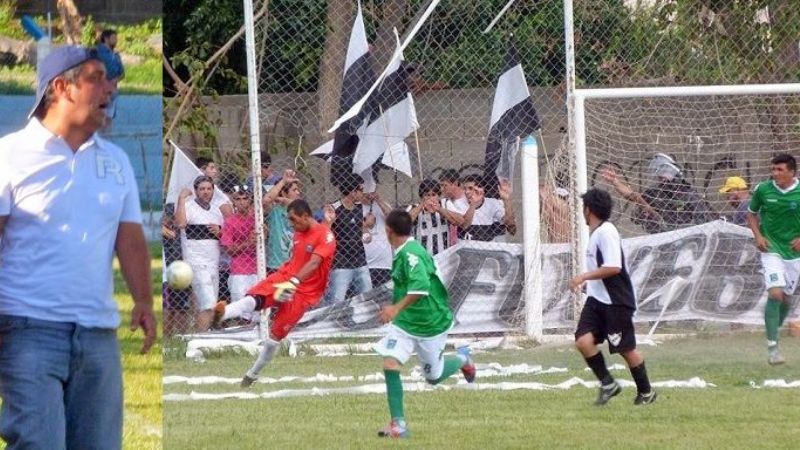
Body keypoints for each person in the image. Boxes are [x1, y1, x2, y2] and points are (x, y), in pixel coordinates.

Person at [0, 45, 156, 450]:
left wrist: (143, 299)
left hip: (98, 335)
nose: (111, 87)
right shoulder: (9, 157)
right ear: (61, 87)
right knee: (39, 443)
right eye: (98, 78)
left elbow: (130, 237)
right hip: (26, 329)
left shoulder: (116, 160)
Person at [374, 209, 477, 439]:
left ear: (388, 231)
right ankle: (398, 424)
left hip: (430, 323)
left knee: (434, 377)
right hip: (405, 323)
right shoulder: (404, 251)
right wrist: (397, 310)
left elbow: (420, 289)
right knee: (390, 363)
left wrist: (394, 308)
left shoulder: (412, 254)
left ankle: (462, 359)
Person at [211, 199, 336, 386]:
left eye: (294, 220)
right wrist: (290, 280)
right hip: (285, 276)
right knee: (256, 297)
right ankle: (223, 314)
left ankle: (252, 374)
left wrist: (294, 282)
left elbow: (314, 263)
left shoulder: (326, 236)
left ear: (305, 216)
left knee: (275, 335)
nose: (291, 225)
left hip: (304, 292)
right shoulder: (299, 233)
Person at [569, 188, 656, 406]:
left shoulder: (606, 231)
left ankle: (646, 392)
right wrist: (590, 286)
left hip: (616, 302)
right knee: (583, 341)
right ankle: (608, 384)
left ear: (588, 210)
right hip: (598, 301)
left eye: (583, 207)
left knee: (625, 349)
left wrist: (583, 276)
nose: (582, 211)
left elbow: (614, 267)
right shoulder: (597, 233)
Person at [746, 153, 800, 365]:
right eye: (773, 169)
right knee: (776, 293)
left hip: (794, 253)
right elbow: (751, 214)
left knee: (785, 298)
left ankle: (772, 325)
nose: (774, 173)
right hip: (771, 248)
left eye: (779, 170)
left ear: (792, 172)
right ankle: (773, 348)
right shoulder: (763, 189)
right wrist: (758, 236)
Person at [601, 153, 715, 233]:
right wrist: (615, 181)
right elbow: (632, 196)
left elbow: (703, 221)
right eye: (660, 175)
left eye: (665, 173)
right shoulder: (656, 192)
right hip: (663, 239)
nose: (662, 178)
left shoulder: (688, 193)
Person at [176, 175, 224, 330]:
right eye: (202, 189)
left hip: (213, 263)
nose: (206, 192)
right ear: (196, 191)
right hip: (196, 262)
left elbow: (225, 236)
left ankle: (204, 332)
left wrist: (220, 231)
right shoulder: (188, 206)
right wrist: (181, 199)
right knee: (207, 302)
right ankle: (202, 336)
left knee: (210, 302)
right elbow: (181, 223)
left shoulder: (217, 210)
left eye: (209, 189)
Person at [322, 172, 373, 305]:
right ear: (352, 191)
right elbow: (324, 231)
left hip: (360, 260)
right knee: (336, 301)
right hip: (341, 262)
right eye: (360, 190)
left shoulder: (359, 208)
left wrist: (366, 233)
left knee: (367, 297)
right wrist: (329, 221)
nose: (363, 193)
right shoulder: (334, 208)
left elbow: (361, 228)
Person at [220, 184, 258, 310]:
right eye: (238, 199)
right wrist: (248, 243)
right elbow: (229, 250)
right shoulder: (230, 222)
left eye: (245, 198)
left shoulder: (257, 219)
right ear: (233, 201)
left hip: (258, 268)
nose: (242, 202)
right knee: (241, 309)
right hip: (239, 270)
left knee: (258, 308)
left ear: (250, 200)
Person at [265, 170, 302, 274]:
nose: (298, 193)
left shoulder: (300, 210)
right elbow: (267, 200)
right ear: (283, 193)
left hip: (296, 266)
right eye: (294, 190)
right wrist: (283, 181)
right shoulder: (275, 210)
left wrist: (287, 201)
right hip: (276, 265)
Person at [461, 174, 517, 242]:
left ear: (481, 189)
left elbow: (511, 229)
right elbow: (464, 225)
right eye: (464, 188)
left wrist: (507, 199)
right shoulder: (459, 203)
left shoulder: (493, 203)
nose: (467, 192)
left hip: (489, 249)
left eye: (470, 188)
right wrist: (473, 204)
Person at [163, 202, 191, 336]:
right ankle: (167, 336)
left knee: (182, 307)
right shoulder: (163, 229)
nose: (170, 220)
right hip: (167, 271)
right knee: (169, 308)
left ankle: (182, 335)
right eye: (168, 217)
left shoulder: (182, 230)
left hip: (181, 270)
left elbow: (174, 235)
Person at [407, 179, 451, 255]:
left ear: (438, 196)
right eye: (427, 195)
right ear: (422, 196)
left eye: (433, 195)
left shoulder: (445, 204)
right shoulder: (414, 208)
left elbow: (459, 220)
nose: (431, 198)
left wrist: (439, 209)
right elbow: (404, 222)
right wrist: (421, 206)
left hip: (443, 255)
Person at [363, 189, 394, 287]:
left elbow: (393, 218)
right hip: (364, 265)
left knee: (385, 297)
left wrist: (378, 200)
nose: (369, 194)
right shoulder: (357, 207)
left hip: (384, 263)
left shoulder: (382, 205)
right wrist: (364, 224)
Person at [95, 29, 124, 120]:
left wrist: (116, 79)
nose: (116, 40)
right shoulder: (97, 53)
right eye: (113, 38)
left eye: (116, 38)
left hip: (113, 91)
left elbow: (122, 73)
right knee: (100, 118)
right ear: (106, 39)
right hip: (101, 91)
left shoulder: (116, 55)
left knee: (109, 118)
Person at [438, 169, 469, 245]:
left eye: (445, 185)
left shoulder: (468, 198)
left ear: (455, 183)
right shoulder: (444, 202)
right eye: (441, 185)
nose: (441, 189)